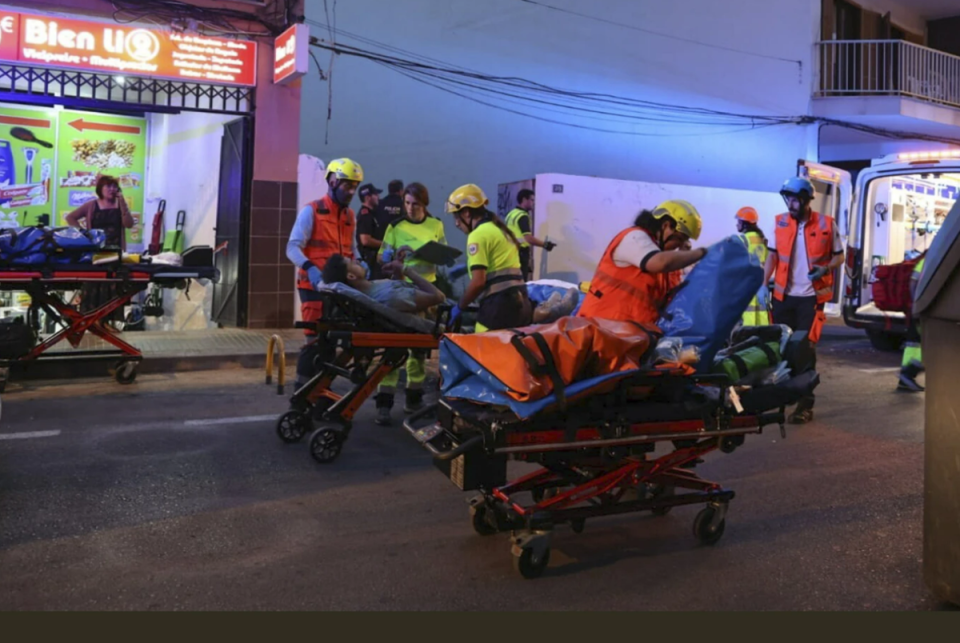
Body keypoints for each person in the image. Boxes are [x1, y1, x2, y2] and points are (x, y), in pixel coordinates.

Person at [763, 176, 844, 424]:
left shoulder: (827, 224)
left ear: (807, 200)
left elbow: (839, 257)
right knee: (781, 349)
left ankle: (805, 405)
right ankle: (779, 398)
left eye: (795, 199)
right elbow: (773, 256)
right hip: (783, 297)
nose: (791, 204)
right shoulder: (780, 223)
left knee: (804, 350)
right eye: (788, 198)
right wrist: (762, 282)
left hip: (810, 299)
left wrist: (825, 269)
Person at [286, 157, 362, 390]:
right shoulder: (312, 211)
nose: (351, 191)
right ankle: (301, 395)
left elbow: (352, 249)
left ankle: (320, 394)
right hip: (313, 287)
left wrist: (360, 263)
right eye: (347, 185)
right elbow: (292, 247)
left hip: (338, 290)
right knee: (314, 343)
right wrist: (311, 269)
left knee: (330, 345)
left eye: (355, 187)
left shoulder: (350, 216)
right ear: (331, 181)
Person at [375, 182, 447, 423]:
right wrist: (392, 257)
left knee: (419, 349)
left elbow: (444, 254)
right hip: (402, 293)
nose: (410, 208)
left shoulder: (436, 225)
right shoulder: (395, 227)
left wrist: (432, 255)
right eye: (407, 203)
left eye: (415, 204)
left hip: (426, 294)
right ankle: (384, 404)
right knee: (394, 346)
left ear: (424, 204)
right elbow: (381, 257)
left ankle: (413, 400)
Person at [577, 200, 707, 325]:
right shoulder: (635, 238)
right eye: (679, 239)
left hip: (628, 336)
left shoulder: (660, 256)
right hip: (601, 331)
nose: (678, 245)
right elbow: (660, 263)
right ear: (665, 226)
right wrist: (701, 252)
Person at [445, 183, 533, 333]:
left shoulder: (477, 235)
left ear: (466, 212)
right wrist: (465, 268)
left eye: (456, 216)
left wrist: (459, 306)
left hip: (499, 307)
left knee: (481, 352)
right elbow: (498, 265)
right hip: (521, 304)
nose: (456, 223)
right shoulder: (499, 229)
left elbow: (478, 282)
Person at [65, 175, 136, 323]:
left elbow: (129, 224)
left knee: (113, 288)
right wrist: (85, 234)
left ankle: (110, 322)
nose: (111, 189)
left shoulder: (120, 204)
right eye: (107, 186)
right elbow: (71, 217)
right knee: (93, 286)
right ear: (100, 189)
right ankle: (93, 322)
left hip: (115, 253)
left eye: (114, 186)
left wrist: (122, 202)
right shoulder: (91, 205)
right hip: (96, 253)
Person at [322, 253, 447, 314]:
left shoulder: (373, 287)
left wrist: (398, 272)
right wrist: (406, 270)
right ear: (351, 276)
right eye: (353, 263)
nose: (358, 261)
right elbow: (438, 297)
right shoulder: (387, 297)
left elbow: (402, 292)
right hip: (451, 317)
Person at [505, 189, 556, 281]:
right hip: (520, 253)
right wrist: (545, 245)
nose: (534, 203)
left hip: (510, 252)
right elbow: (528, 238)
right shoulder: (522, 216)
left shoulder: (511, 214)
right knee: (521, 281)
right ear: (524, 200)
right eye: (532, 200)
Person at [735, 206, 771, 326]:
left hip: (746, 286)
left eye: (738, 221)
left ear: (744, 224)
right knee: (761, 319)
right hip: (761, 286)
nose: (737, 225)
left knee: (747, 321)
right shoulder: (762, 240)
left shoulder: (742, 240)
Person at [898, 256, 926, 392]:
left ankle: (905, 379)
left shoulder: (928, 259)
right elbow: (914, 282)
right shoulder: (930, 260)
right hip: (922, 308)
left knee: (914, 343)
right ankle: (908, 374)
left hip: (918, 308)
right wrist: (918, 305)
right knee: (933, 344)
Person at [355, 183, 385, 279]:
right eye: (375, 194)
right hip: (370, 260)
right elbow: (365, 240)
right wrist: (386, 244)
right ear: (368, 198)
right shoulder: (365, 215)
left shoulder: (371, 214)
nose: (378, 197)